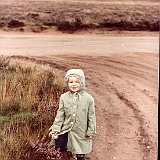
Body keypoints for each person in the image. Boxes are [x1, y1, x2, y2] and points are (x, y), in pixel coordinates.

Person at [49, 69, 98, 160]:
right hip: (66, 129)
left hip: (81, 131)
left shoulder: (89, 99)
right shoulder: (64, 97)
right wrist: (56, 128)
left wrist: (91, 131)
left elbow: (91, 116)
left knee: (80, 151)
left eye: (77, 82)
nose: (74, 84)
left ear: (82, 82)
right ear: (67, 83)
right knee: (59, 148)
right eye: (71, 82)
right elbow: (60, 114)